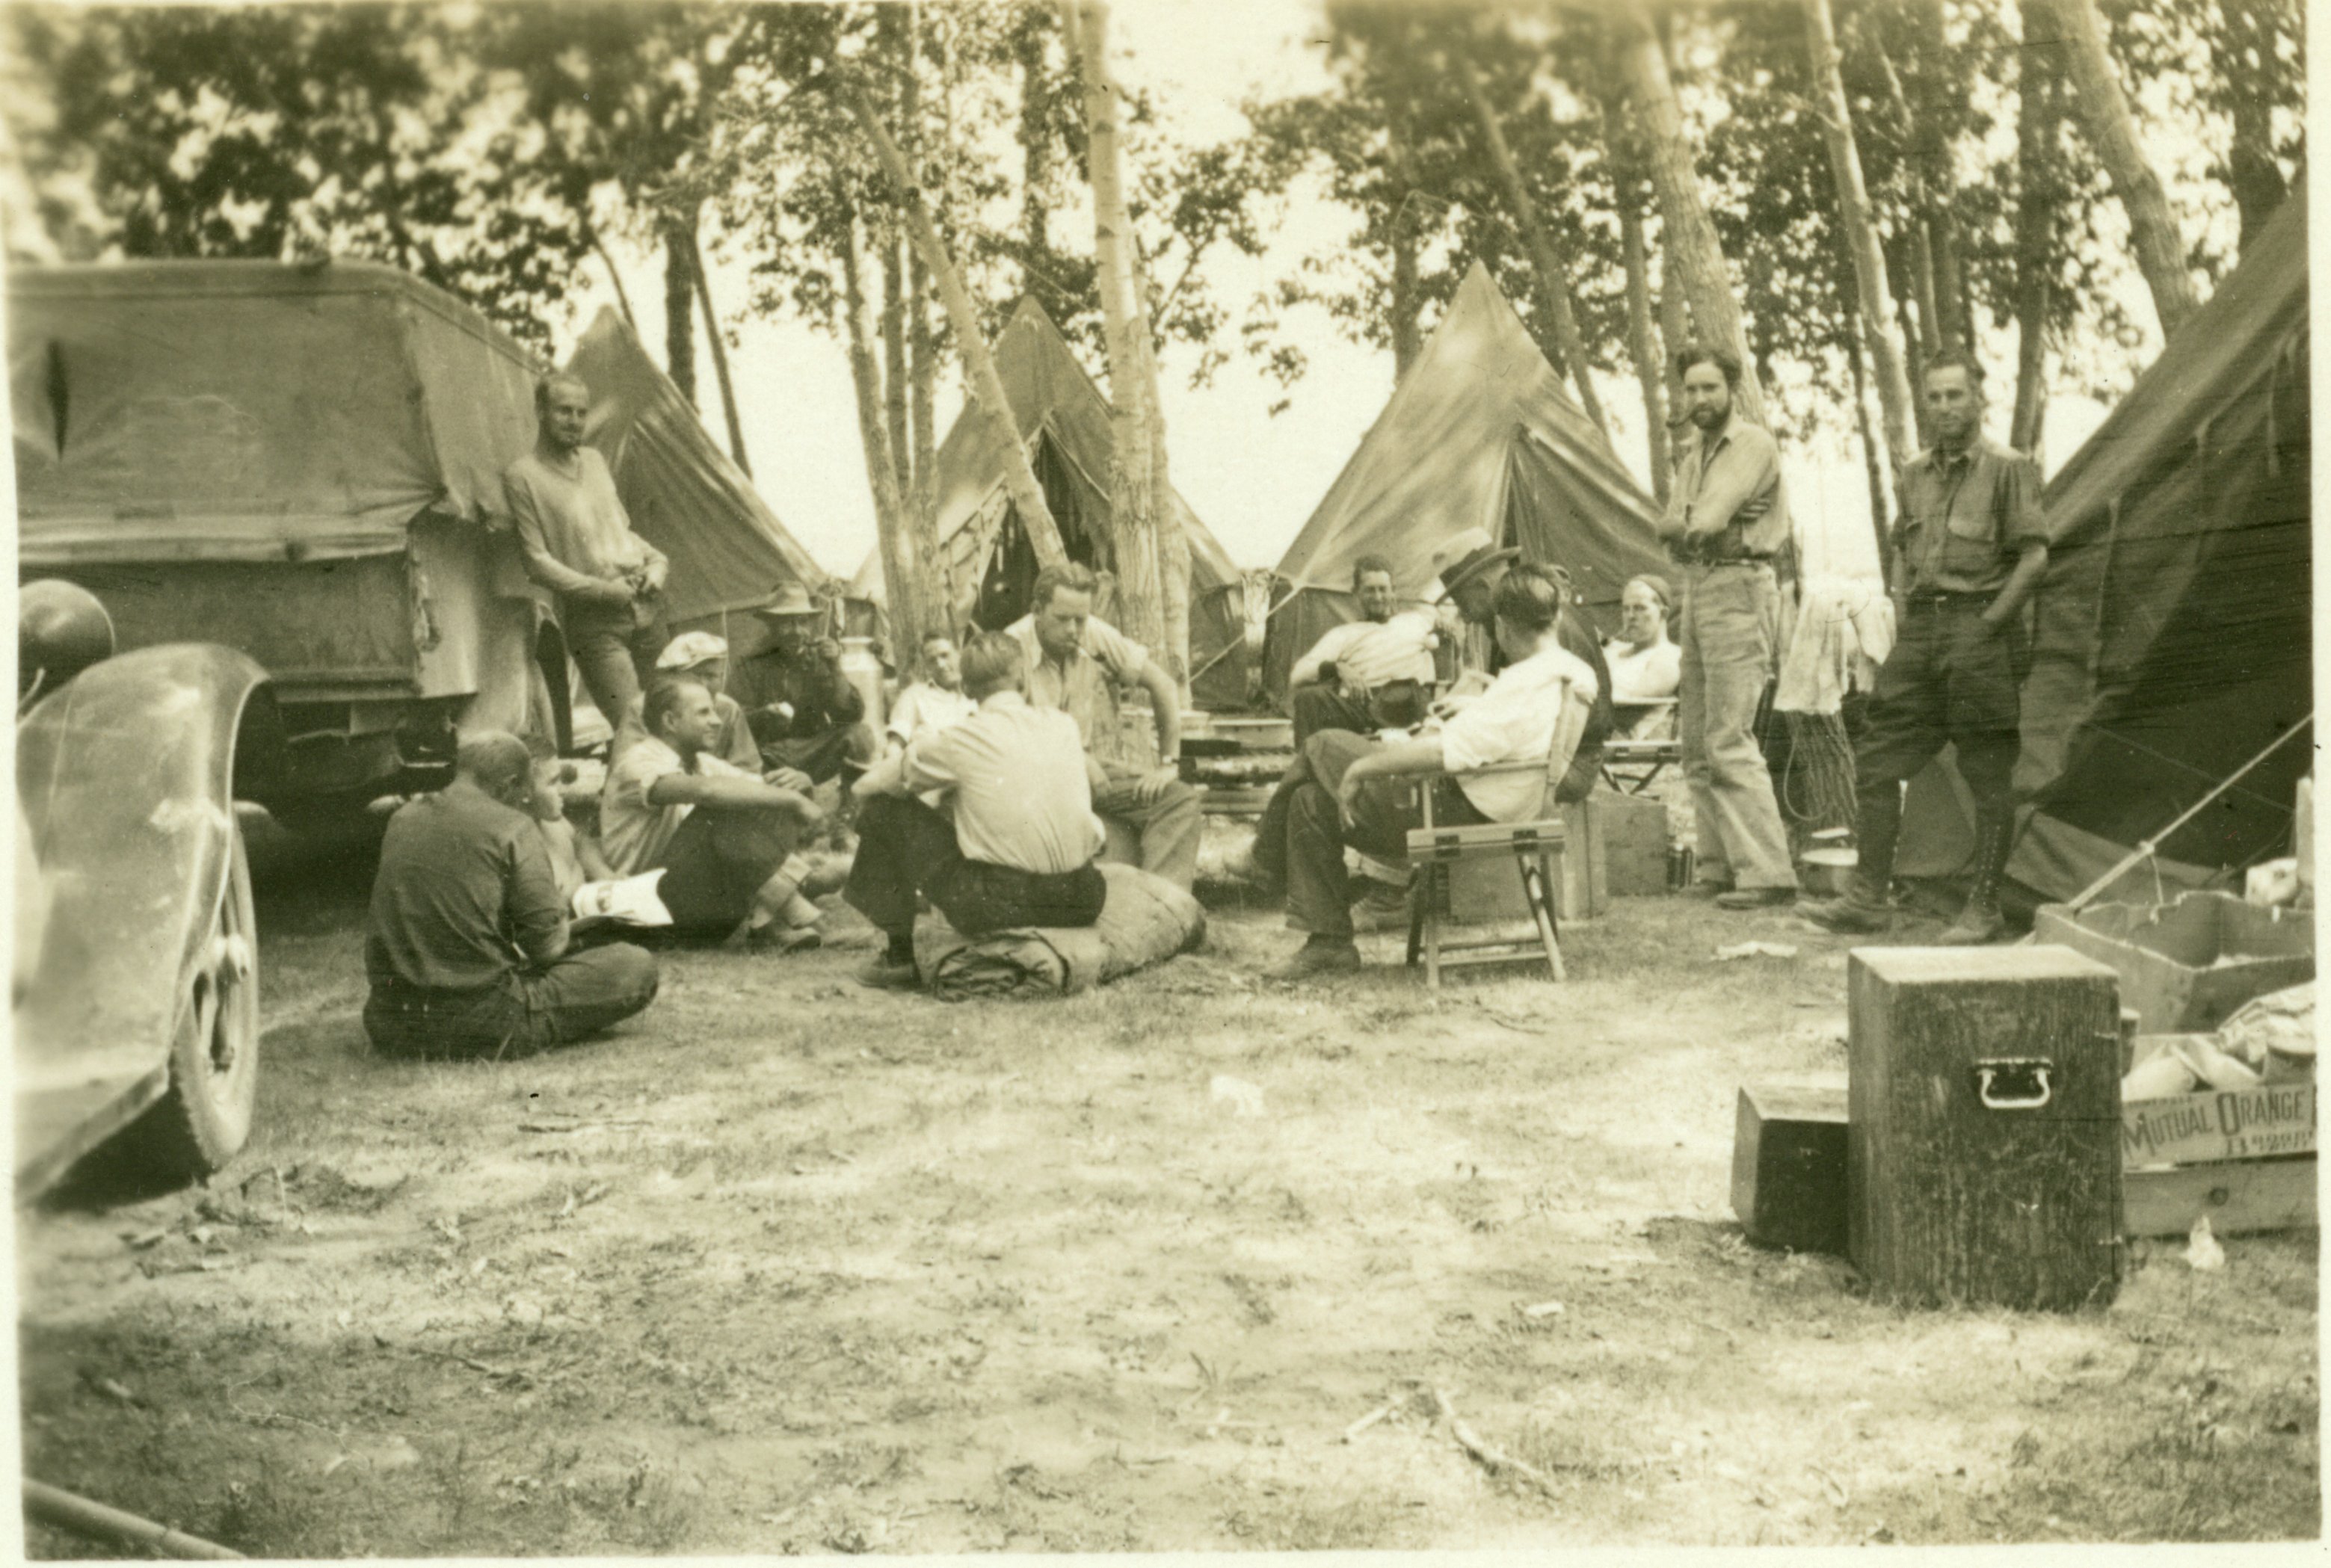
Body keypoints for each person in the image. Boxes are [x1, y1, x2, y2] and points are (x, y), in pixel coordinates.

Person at [1804, 352, 2048, 945]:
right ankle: (1867, 898)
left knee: (1988, 774)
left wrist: (1989, 626)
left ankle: (1983, 908)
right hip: (1922, 632)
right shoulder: (1914, 473)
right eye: (1934, 398)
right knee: (1879, 758)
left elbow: (2035, 556)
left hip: (1979, 630)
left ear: (1977, 400)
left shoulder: (2008, 468)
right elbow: (1900, 547)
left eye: (1955, 396)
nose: (1944, 408)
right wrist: (1904, 612)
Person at [1266, 564, 1597, 979]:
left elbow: (1446, 754)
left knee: (1322, 744)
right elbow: (1507, 734)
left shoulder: (1525, 681)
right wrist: (1474, 707)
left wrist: (1364, 768)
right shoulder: (1567, 669)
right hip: (1488, 802)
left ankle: (1264, 861)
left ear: (1502, 624)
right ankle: (1329, 944)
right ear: (1556, 617)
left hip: (1451, 809)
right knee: (1308, 801)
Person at [363, 732, 659, 1060]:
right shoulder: (513, 827)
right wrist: (576, 925)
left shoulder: (403, 819)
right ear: (511, 783)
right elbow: (546, 948)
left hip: (390, 1020)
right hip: (482, 1020)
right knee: (635, 966)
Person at [847, 632, 1110, 989]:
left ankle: (898, 957)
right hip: (1083, 896)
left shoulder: (960, 739)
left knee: (883, 808)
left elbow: (867, 787)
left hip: (1001, 902)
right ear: (1024, 677)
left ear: (967, 689)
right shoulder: (1063, 724)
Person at [1657, 343, 1797, 910]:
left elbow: (1701, 523)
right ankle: (1718, 866)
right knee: (1695, 741)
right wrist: (1685, 523)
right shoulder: (1694, 452)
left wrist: (1688, 522)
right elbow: (1672, 530)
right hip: (1700, 585)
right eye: (1690, 389)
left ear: (1732, 390)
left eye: (1709, 388)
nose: (1699, 399)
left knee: (1729, 736)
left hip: (1741, 584)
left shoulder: (1753, 445)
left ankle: (1768, 873)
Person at [1003, 563, 1203, 891]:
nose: (1073, 630)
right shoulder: (1011, 648)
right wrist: (1077, 759)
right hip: (1029, 776)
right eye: (1062, 619)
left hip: (1086, 769)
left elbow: (1163, 686)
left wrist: (1168, 764)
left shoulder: (1091, 633)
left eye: (1080, 619)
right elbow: (1008, 731)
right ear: (1037, 610)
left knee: (1177, 799)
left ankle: (1162, 907)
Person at [599, 676, 828, 951]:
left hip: (697, 911)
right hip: (647, 912)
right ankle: (793, 916)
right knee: (721, 807)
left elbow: (761, 790)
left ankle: (769, 922)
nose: (718, 721)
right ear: (671, 721)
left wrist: (800, 783)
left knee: (760, 800)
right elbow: (708, 792)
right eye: (704, 712)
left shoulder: (702, 763)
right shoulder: (638, 761)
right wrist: (792, 799)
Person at [504, 374, 670, 732]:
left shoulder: (594, 461)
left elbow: (620, 532)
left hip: (646, 609)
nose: (575, 421)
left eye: (581, 412)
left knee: (672, 720)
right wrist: (604, 591)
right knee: (633, 726)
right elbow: (537, 562)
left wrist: (657, 564)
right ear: (541, 412)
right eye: (564, 411)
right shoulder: (522, 476)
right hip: (594, 623)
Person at [731, 582, 880, 789]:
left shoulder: (818, 657)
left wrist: (835, 666)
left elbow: (849, 715)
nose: (797, 631)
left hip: (812, 750)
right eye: (787, 624)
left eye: (802, 622)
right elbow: (734, 723)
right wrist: (766, 714)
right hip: (769, 755)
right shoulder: (750, 664)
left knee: (860, 735)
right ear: (771, 626)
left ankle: (850, 804)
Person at [1286, 555, 1438, 744]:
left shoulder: (1417, 621)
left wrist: (1445, 627)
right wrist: (1338, 668)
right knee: (1308, 698)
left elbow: (1446, 629)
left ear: (1394, 591)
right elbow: (1298, 674)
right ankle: (1311, 768)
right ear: (1356, 593)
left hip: (1409, 702)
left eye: (1383, 589)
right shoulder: (1343, 634)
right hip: (1365, 704)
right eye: (1369, 590)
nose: (1378, 597)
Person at [1606, 574, 1682, 738]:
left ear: (1664, 613)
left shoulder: (1669, 656)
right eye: (1626, 609)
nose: (1631, 616)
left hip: (1624, 748)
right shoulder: (1613, 650)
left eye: (1640, 608)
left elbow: (1627, 706)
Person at [884, 629, 977, 756]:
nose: (940, 664)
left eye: (944, 655)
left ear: (959, 653)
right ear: (927, 666)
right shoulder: (915, 695)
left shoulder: (980, 693)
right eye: (932, 660)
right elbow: (894, 747)